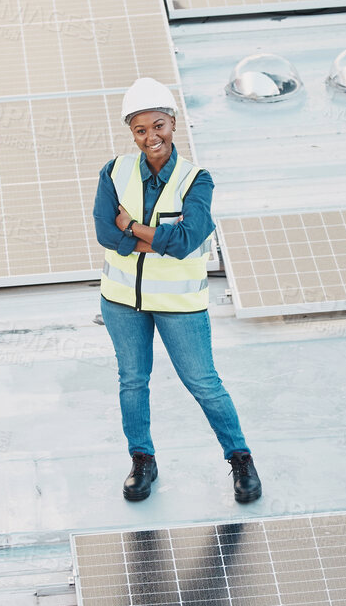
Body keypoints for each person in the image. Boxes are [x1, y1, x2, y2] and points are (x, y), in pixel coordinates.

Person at [92, 77, 260, 505]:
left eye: (158, 125)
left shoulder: (196, 180)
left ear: (173, 123)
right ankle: (142, 459)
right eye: (140, 130)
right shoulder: (113, 172)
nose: (151, 137)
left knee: (204, 383)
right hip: (121, 302)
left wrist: (130, 225)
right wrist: (155, 237)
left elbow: (189, 241)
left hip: (179, 306)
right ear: (132, 133)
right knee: (132, 381)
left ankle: (240, 458)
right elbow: (103, 234)